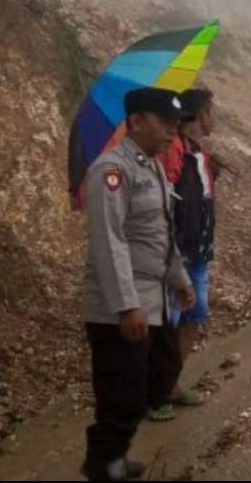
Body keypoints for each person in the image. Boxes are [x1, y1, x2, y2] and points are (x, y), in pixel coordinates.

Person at [81, 87, 196, 481]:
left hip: (155, 297)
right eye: (164, 122)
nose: (172, 132)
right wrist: (127, 305)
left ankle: (114, 455)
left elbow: (160, 231)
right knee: (122, 394)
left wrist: (179, 277)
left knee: (159, 375)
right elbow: (109, 241)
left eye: (176, 124)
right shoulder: (112, 171)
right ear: (135, 122)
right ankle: (103, 465)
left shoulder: (153, 166)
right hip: (119, 308)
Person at [160, 88, 237, 411]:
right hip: (176, 254)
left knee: (194, 316)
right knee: (169, 321)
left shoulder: (199, 154)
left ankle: (171, 384)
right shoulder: (172, 151)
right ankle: (157, 390)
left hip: (199, 252)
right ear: (199, 114)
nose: (214, 117)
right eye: (211, 111)